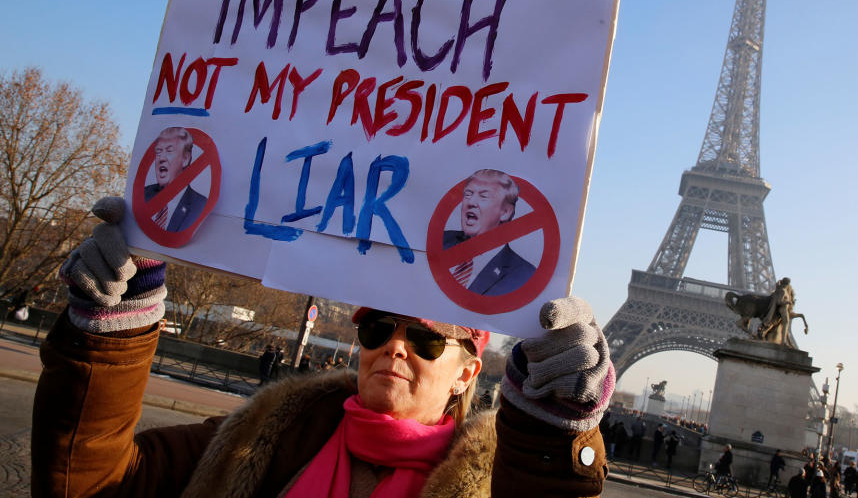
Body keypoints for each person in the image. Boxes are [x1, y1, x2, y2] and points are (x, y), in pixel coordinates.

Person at [34, 197, 614, 497]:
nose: (394, 347)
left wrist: (550, 427)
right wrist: (112, 326)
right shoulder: (262, 435)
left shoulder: (501, 485)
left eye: (424, 339)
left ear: (467, 372)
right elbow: (89, 484)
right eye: (376, 329)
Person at [442, 170, 535, 296]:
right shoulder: (441, 240)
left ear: (506, 212)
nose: (471, 202)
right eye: (468, 194)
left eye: (483, 196)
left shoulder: (525, 275)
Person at [144, 127, 207, 232]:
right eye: (158, 152)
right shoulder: (144, 194)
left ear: (185, 159)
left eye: (169, 151)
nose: (161, 158)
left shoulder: (200, 205)